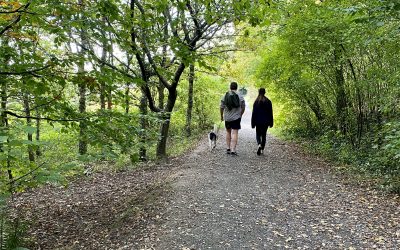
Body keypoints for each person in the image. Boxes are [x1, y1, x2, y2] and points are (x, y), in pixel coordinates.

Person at [220, 82, 245, 156]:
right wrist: (240, 114)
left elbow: (221, 107)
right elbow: (243, 107)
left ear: (230, 87)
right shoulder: (240, 96)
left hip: (227, 117)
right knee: (235, 132)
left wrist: (221, 116)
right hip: (236, 117)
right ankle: (233, 150)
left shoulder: (225, 95)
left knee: (228, 132)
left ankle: (228, 148)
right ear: (236, 87)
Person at [251, 88, 273, 155]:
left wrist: (253, 123)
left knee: (258, 134)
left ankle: (259, 144)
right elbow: (270, 113)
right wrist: (271, 122)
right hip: (266, 121)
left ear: (258, 92)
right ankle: (262, 149)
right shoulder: (268, 101)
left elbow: (254, 113)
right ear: (265, 92)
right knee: (264, 135)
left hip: (258, 121)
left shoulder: (256, 101)